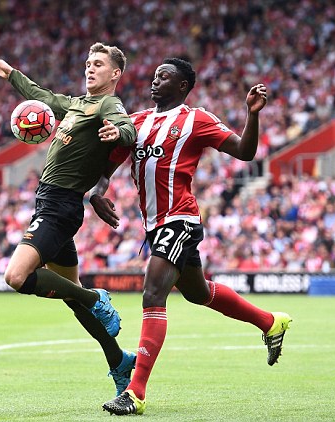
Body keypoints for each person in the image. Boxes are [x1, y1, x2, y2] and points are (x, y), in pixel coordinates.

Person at [91, 58, 292, 415]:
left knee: (153, 294)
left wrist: (252, 114)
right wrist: (96, 193)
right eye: (154, 76)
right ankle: (270, 322)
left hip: (180, 219)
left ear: (182, 86)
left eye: (164, 77)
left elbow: (245, 152)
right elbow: (106, 169)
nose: (155, 81)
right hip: (154, 225)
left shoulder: (196, 119)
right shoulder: (135, 122)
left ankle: (135, 393)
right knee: (198, 293)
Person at [0, 42, 138, 395]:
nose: (90, 68)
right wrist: (11, 74)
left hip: (60, 206)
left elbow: (127, 128)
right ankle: (118, 360)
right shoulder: (76, 104)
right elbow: (42, 96)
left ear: (115, 73)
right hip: (50, 204)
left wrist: (119, 133)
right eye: (88, 63)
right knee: (71, 295)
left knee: (16, 276)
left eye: (98, 64)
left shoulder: (108, 104)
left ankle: (95, 298)